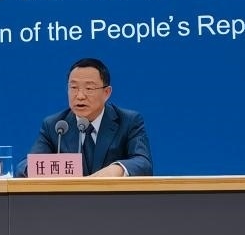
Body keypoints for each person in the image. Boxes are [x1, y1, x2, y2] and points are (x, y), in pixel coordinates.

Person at [18, 58, 153, 177]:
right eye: (74, 87)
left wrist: (117, 169)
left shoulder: (128, 121)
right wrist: (54, 169)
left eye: (89, 89)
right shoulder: (55, 125)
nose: (80, 96)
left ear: (106, 93)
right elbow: (24, 166)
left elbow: (143, 163)